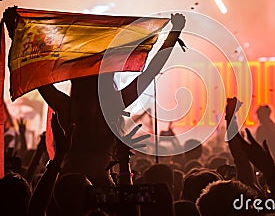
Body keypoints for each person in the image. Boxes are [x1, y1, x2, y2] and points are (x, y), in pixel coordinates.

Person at [38, 13, 186, 187]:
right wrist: (174, 34)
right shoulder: (115, 104)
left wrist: (17, 36)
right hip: (102, 184)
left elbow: (40, 78)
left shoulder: (67, 106)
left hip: (68, 185)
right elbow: (150, 72)